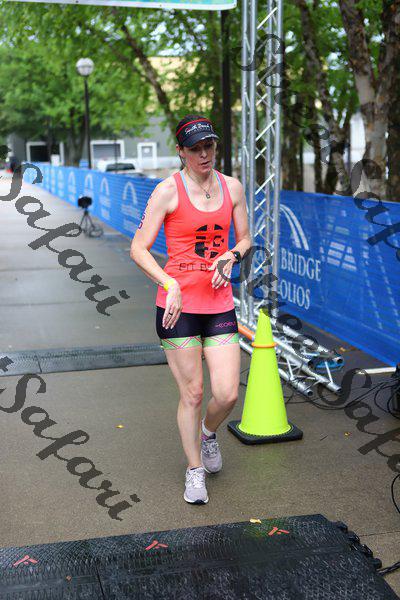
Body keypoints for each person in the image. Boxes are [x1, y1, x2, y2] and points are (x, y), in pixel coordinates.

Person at [130, 114, 251, 504]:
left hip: (219, 303)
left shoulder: (232, 187)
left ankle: (208, 433)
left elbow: (246, 239)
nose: (204, 154)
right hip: (177, 309)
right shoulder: (167, 191)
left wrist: (232, 255)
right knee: (193, 393)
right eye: (195, 148)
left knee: (227, 394)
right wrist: (169, 283)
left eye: (209, 146)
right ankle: (194, 469)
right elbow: (138, 249)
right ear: (181, 152)